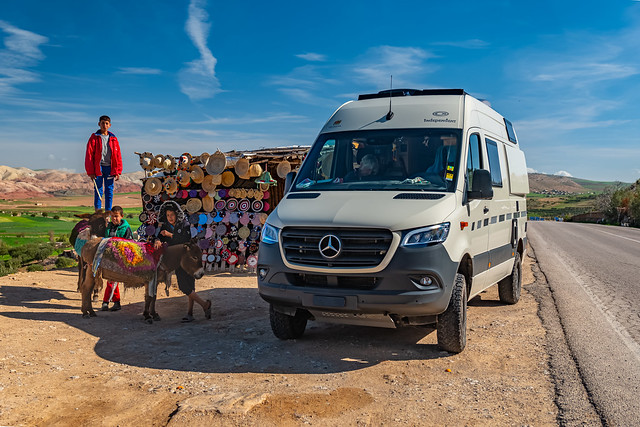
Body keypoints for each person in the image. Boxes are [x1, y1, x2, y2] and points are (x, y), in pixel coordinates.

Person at [154, 201, 211, 323]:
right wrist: (158, 240)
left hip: (187, 259)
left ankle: (204, 305)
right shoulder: (165, 225)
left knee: (186, 286)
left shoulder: (184, 224)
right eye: (168, 215)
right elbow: (159, 236)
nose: (170, 218)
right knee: (188, 287)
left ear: (177, 214)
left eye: (172, 215)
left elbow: (185, 240)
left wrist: (170, 235)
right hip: (176, 260)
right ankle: (191, 313)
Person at [85, 115, 123, 211]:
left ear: (109, 125)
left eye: (106, 123)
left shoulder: (113, 139)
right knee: (98, 190)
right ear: (99, 124)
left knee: (109, 190)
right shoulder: (94, 138)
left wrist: (118, 170)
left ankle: (108, 213)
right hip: (98, 168)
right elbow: (89, 155)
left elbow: (118, 155)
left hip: (110, 167)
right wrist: (90, 172)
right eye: (102, 123)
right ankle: (98, 212)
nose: (104, 125)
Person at [101, 206, 133, 311]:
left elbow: (130, 244)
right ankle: (114, 302)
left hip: (121, 258)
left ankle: (108, 302)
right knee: (111, 279)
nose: (114, 219)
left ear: (121, 216)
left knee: (112, 280)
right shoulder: (109, 227)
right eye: (112, 216)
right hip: (109, 257)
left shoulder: (126, 228)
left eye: (116, 216)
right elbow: (105, 240)